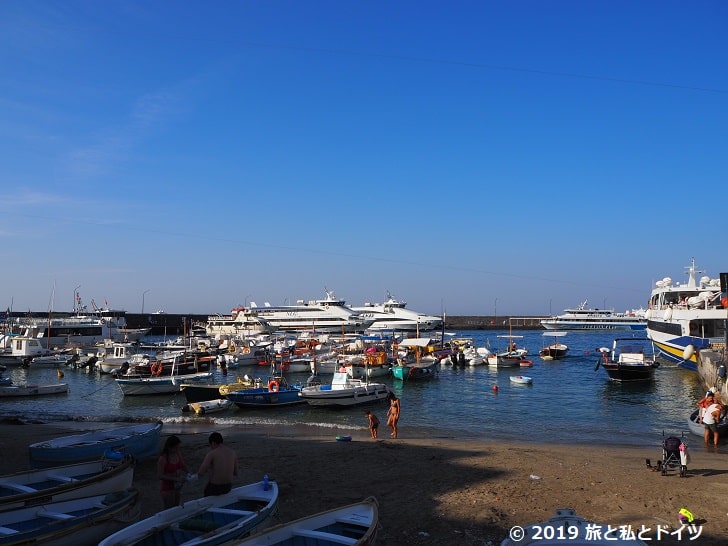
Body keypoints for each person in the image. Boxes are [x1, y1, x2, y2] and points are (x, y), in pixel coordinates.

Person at [195, 431, 239, 496]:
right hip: (228, 486)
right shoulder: (233, 452)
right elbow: (236, 473)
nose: (211, 447)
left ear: (213, 443)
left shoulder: (212, 453)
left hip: (215, 487)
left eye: (210, 445)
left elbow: (201, 472)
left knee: (206, 491)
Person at [157, 435, 188, 509]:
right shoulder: (163, 459)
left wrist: (188, 474)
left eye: (178, 447)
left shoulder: (177, 453)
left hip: (177, 487)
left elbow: (183, 465)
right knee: (169, 510)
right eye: (175, 448)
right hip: (168, 488)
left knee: (176, 508)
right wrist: (176, 479)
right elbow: (160, 476)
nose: (177, 449)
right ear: (169, 447)